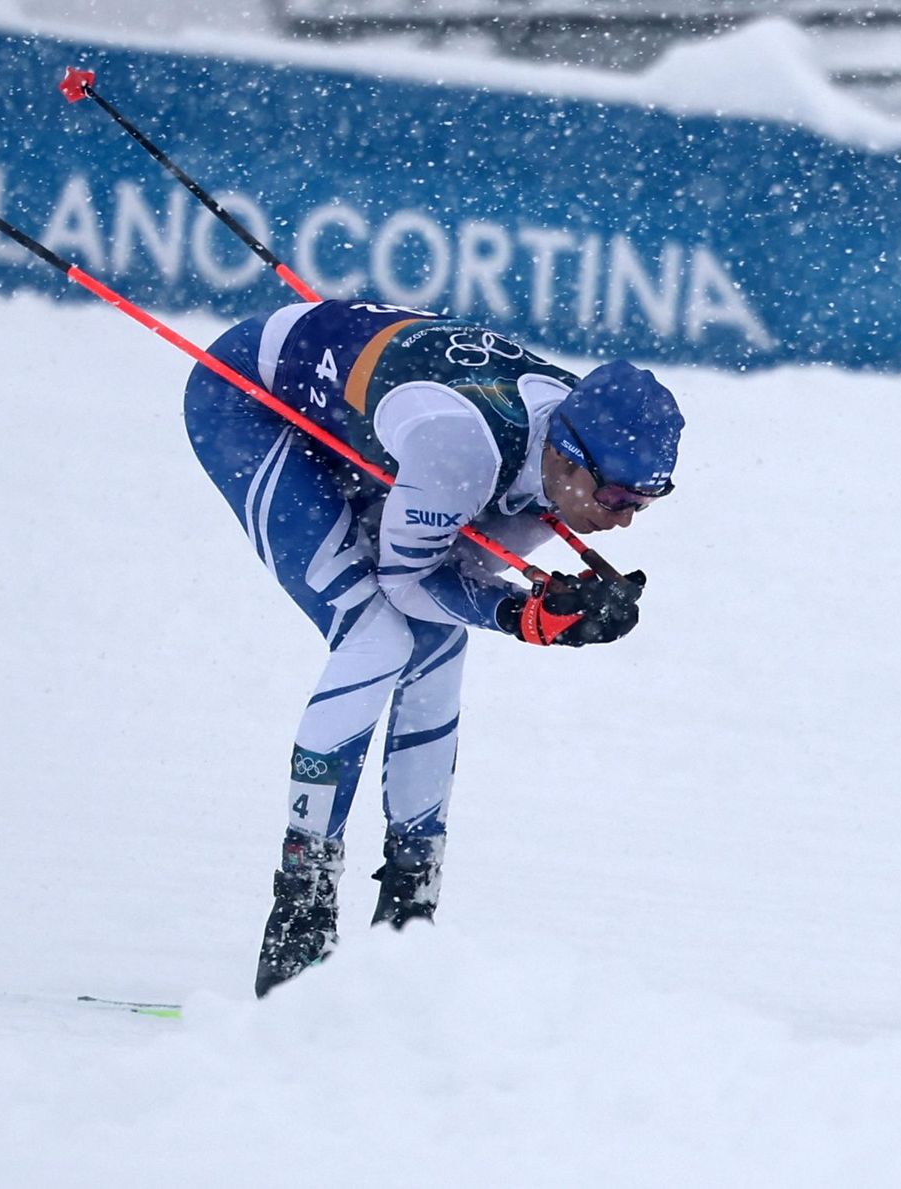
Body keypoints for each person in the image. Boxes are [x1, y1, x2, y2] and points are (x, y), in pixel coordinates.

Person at [182, 299, 684, 997]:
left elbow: (461, 577)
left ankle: (407, 921)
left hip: (375, 423)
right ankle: (299, 918)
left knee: (438, 639)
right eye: (618, 497)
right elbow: (410, 578)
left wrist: (542, 608)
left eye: (646, 502)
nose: (624, 521)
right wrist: (520, 613)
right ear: (567, 458)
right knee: (374, 634)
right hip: (250, 401)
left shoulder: (561, 454)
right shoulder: (462, 448)